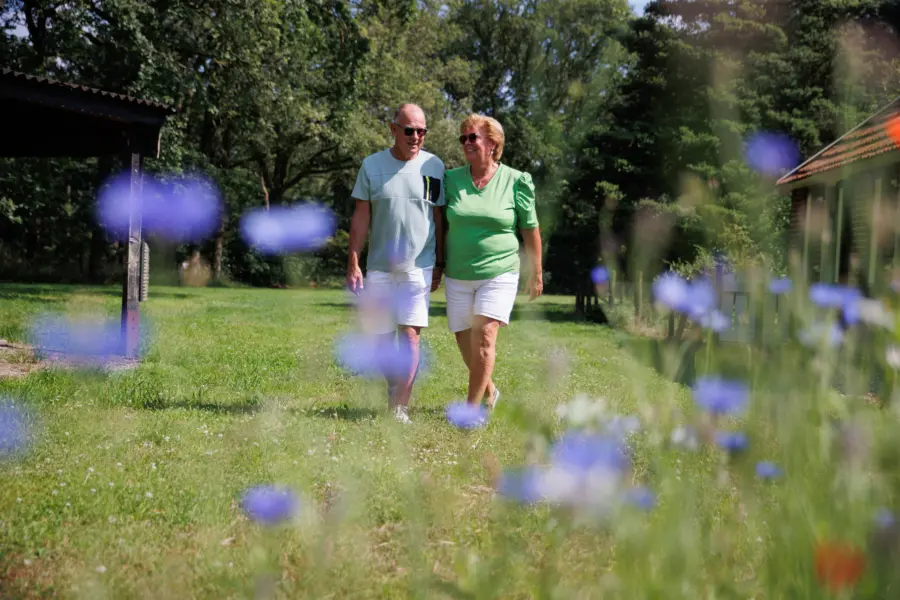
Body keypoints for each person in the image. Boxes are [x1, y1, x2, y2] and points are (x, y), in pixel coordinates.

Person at [346, 104, 446, 423]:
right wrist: (353, 261)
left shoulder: (433, 166)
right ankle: (394, 388)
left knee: (410, 336)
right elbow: (361, 217)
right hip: (379, 268)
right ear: (393, 130)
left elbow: (438, 216)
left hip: (419, 266)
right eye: (409, 130)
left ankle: (400, 408)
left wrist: (440, 262)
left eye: (421, 131)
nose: (416, 136)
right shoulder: (371, 166)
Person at [443, 114, 543, 408]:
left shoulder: (516, 181)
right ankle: (490, 391)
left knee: (485, 337)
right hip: (458, 272)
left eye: (472, 137)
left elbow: (530, 229)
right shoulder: (451, 180)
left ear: (493, 143)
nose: (466, 142)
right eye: (463, 138)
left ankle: (471, 411)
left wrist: (536, 272)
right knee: (465, 342)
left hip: (499, 271)